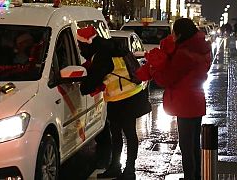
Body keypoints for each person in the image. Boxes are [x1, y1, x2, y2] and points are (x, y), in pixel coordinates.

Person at [136, 18, 211, 180]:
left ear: (181, 33)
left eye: (174, 33)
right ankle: (196, 175)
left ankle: (190, 176)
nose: (173, 36)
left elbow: (168, 78)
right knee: (194, 142)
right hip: (197, 99)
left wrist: (154, 71)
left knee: (185, 144)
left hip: (184, 102)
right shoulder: (203, 48)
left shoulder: (183, 53)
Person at [76, 26, 152, 180]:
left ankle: (127, 170)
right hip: (131, 95)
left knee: (124, 135)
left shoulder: (102, 56)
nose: (80, 49)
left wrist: (83, 85)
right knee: (123, 134)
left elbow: (90, 83)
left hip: (122, 100)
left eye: (80, 45)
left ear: (87, 44)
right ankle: (119, 167)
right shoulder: (112, 47)